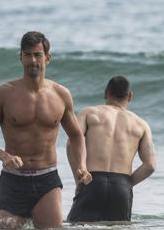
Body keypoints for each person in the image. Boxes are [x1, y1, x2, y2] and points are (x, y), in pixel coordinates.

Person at [0, 31, 91, 229]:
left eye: (37, 55)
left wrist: (82, 165)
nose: (33, 60)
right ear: (20, 58)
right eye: (27, 54)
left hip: (47, 179)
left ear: (48, 58)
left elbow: (76, 135)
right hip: (14, 180)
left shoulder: (61, 95)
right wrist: (4, 156)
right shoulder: (5, 93)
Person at [67, 76, 156, 222]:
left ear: (105, 93)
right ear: (130, 96)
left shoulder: (89, 113)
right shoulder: (141, 124)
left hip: (91, 181)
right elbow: (150, 165)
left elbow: (72, 144)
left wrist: (79, 178)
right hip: (122, 185)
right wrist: (127, 183)